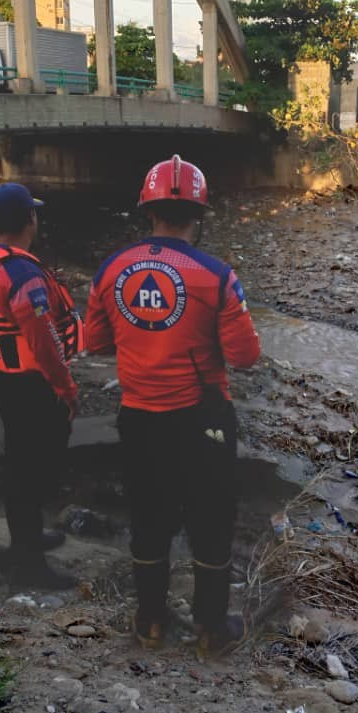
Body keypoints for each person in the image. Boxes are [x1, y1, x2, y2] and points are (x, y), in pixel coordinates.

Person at [86, 155, 261, 658]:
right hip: (202, 419)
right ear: (199, 216)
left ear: (149, 212)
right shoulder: (217, 275)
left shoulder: (111, 269)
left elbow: (96, 343)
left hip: (139, 418)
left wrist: (141, 336)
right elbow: (246, 355)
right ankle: (210, 628)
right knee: (211, 519)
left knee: (149, 517)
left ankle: (151, 623)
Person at [0, 183, 84, 588]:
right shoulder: (22, 276)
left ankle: (29, 539)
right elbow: (45, 342)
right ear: (29, 220)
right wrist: (66, 388)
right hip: (32, 386)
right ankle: (30, 565)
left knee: (23, 464)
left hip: (6, 377)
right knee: (31, 471)